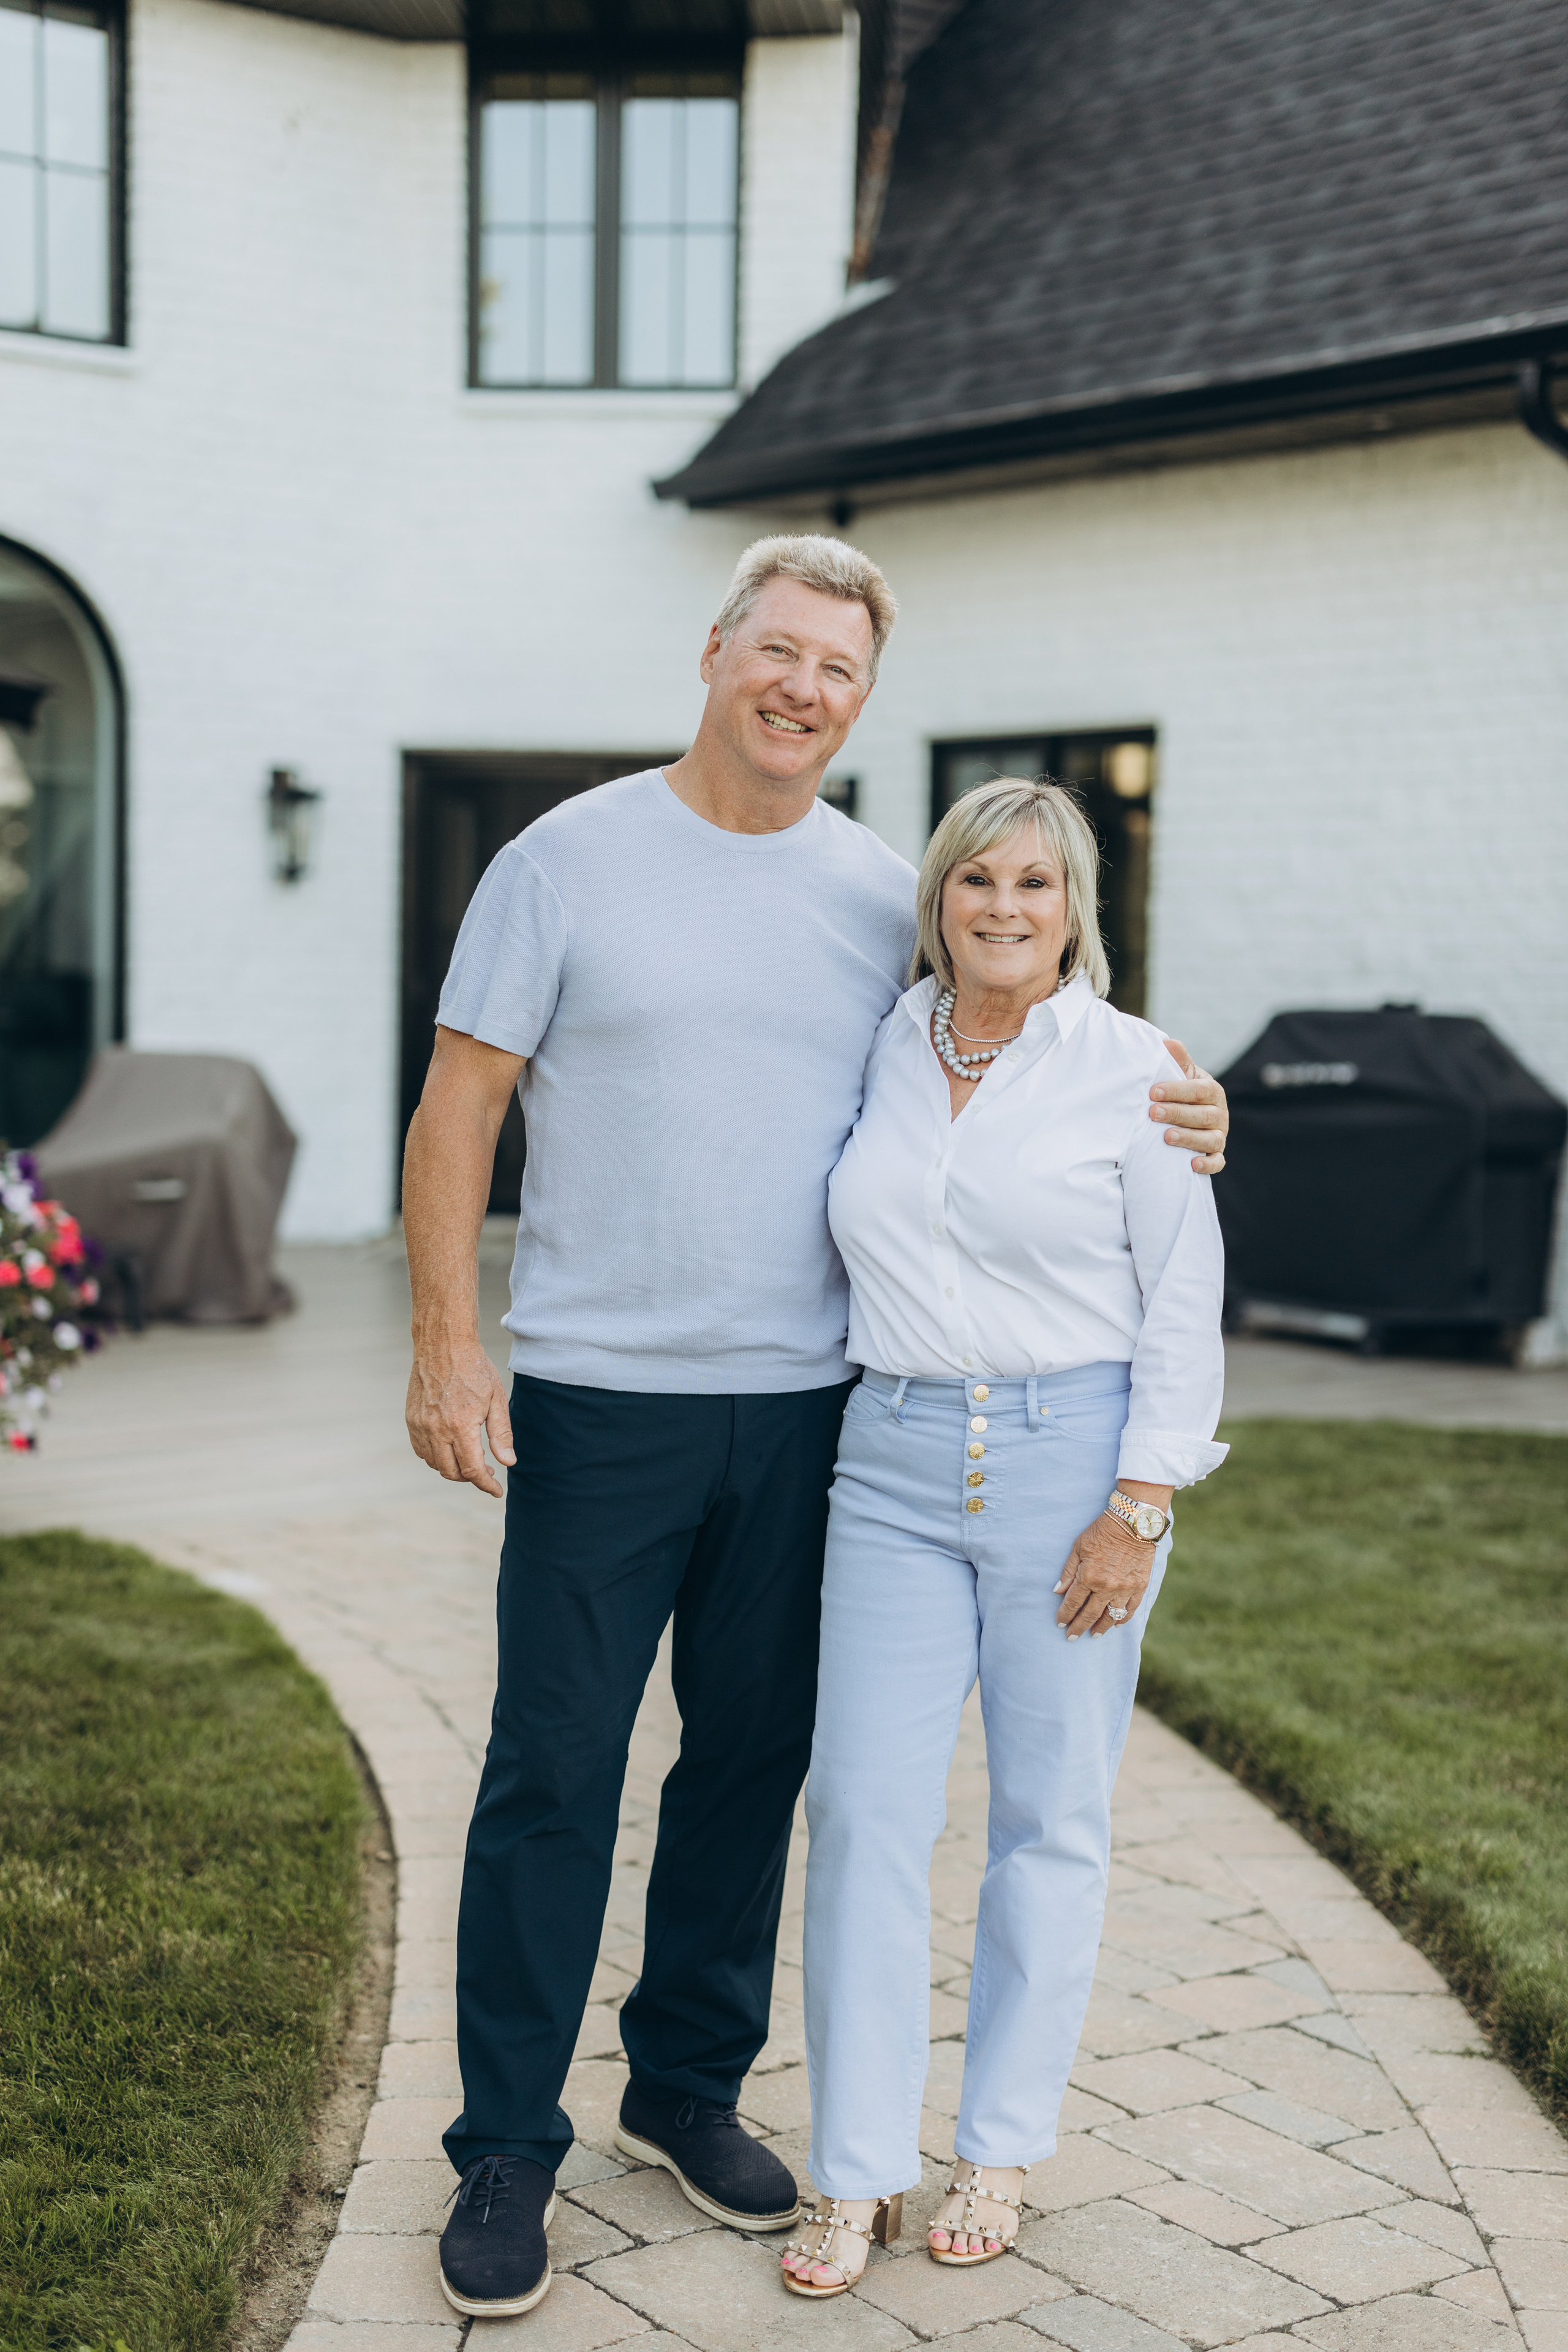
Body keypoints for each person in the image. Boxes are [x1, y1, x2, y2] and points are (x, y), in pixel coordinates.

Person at [399, 537, 1231, 2321]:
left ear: (864, 701)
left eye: (837, 670)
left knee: (754, 1768)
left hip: (811, 1418)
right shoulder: (567, 861)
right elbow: (462, 1101)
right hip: (602, 1405)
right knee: (554, 1769)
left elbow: (1034, 1049)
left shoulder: (884, 898)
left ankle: (687, 2083)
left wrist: (1184, 1098)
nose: (801, 689)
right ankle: (507, 2143)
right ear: (715, 655)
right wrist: (448, 1343)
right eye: (775, 652)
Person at [777, 777, 1227, 2301]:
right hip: (888, 1460)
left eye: (1036, 884)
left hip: (1071, 1466)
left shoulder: (1136, 1072)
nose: (1005, 909)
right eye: (978, 882)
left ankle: (998, 2148)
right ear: (939, 900)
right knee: (860, 1813)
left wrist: (1138, 1504)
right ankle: (853, 2175)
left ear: (1074, 906)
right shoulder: (882, 1049)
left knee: (1049, 1820)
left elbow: (1181, 1304)